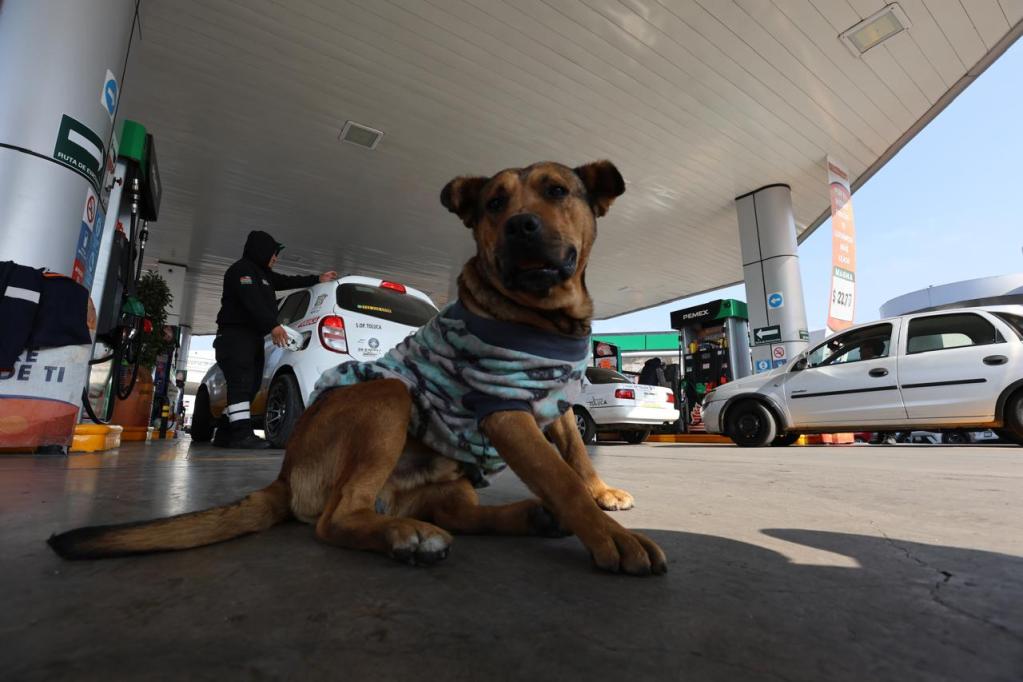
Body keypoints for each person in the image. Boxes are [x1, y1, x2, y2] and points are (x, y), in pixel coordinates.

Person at [212, 230, 337, 448]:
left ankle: (225, 433)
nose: (275, 258)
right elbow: (252, 302)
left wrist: (317, 279)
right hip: (235, 337)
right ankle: (241, 435)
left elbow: (287, 281)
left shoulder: (264, 275)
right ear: (260, 251)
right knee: (241, 385)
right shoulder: (241, 271)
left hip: (251, 338)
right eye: (273, 253)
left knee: (249, 387)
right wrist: (273, 326)